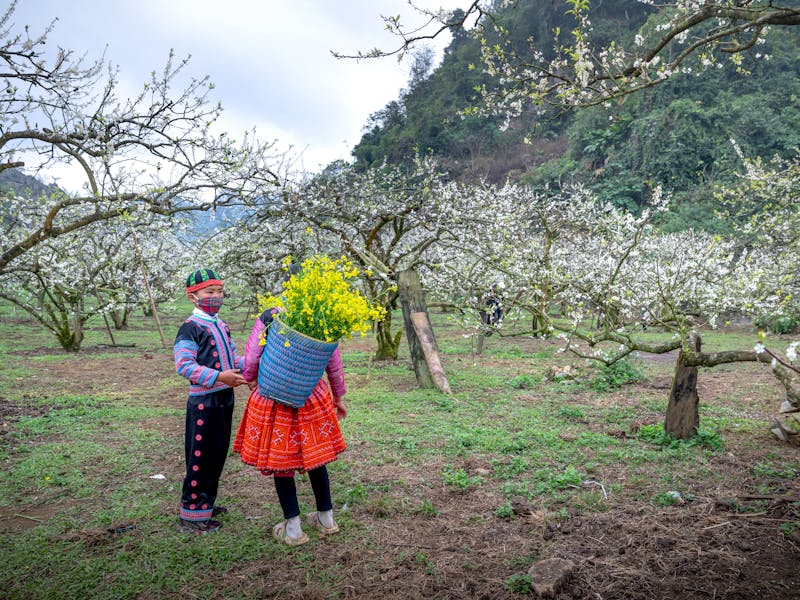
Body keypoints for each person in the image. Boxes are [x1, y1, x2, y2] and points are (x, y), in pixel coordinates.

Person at [233, 304, 348, 546]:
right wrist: (338, 396)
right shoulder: (324, 316)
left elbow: (254, 354)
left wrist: (250, 378)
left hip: (275, 398)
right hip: (311, 398)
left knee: (281, 463)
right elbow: (333, 360)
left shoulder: (271, 315)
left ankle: (294, 529)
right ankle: (326, 519)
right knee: (316, 459)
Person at [173, 268, 248, 534]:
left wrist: (251, 365)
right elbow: (184, 365)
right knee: (200, 457)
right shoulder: (190, 328)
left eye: (219, 291)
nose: (216, 297)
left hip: (223, 398)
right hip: (204, 402)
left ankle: (205, 504)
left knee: (215, 455)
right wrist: (219, 376)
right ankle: (192, 514)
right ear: (193, 297)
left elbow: (233, 359)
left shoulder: (220, 324)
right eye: (209, 292)